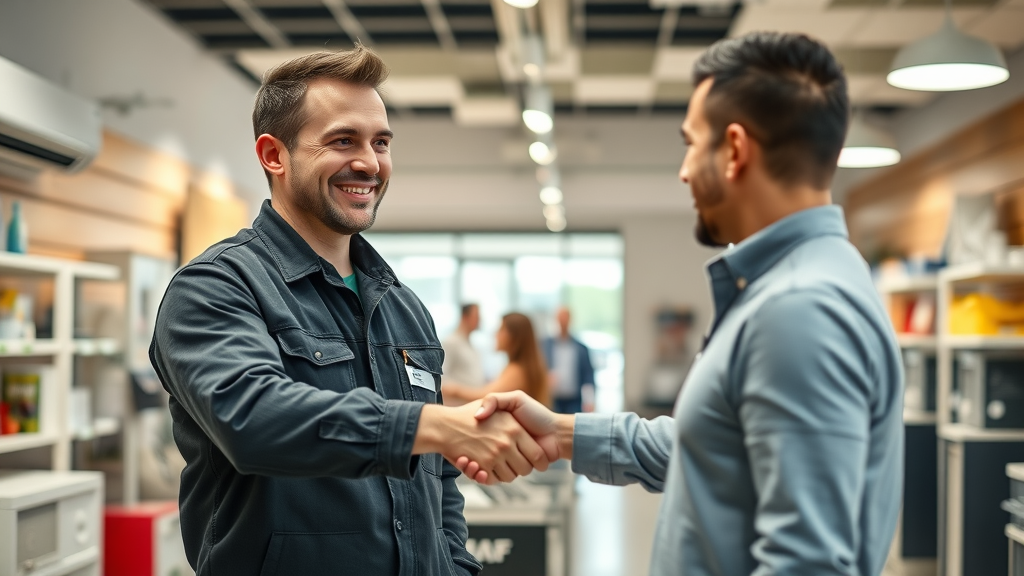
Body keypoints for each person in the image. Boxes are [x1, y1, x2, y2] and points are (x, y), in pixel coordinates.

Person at [459, 31, 904, 576]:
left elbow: (807, 564)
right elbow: (712, 449)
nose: (684, 169)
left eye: (691, 143)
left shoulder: (799, 311)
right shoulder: (800, 283)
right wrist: (560, 433)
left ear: (735, 150)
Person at [149, 46, 553, 576]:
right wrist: (430, 425)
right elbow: (254, 419)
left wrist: (455, 566)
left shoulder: (402, 306)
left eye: (380, 142)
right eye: (343, 140)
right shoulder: (215, 288)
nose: (370, 162)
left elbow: (436, 481)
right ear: (274, 155)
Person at [442, 313, 550, 407]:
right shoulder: (520, 367)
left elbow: (486, 396)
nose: (496, 333)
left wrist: (454, 390)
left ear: (515, 336)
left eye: (501, 329)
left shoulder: (517, 371)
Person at [542, 306, 596, 414]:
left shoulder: (581, 348)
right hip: (552, 399)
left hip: (574, 400)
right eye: (560, 318)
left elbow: (588, 376)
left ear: (570, 320)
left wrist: (589, 400)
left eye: (565, 318)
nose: (563, 321)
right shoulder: (545, 345)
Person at [441, 303, 486, 388]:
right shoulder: (451, 342)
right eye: (477, 316)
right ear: (465, 317)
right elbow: (442, 375)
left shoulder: (470, 344)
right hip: (458, 400)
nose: (480, 320)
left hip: (473, 397)